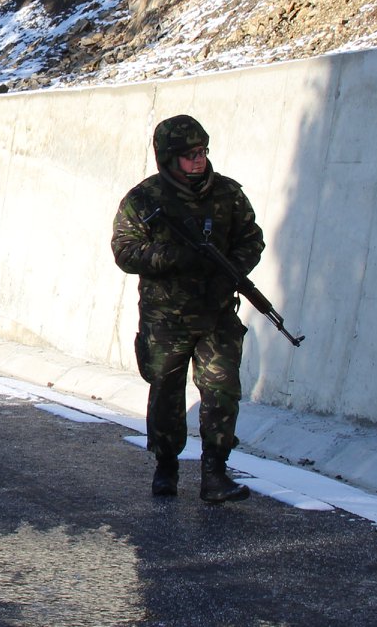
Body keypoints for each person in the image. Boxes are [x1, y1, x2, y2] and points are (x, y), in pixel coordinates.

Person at [110, 114, 266, 503]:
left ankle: (215, 471)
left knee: (221, 392)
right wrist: (173, 257)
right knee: (165, 391)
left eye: (202, 152)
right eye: (189, 155)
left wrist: (229, 273)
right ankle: (166, 466)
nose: (198, 160)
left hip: (215, 315)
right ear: (168, 157)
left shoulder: (227, 194)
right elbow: (125, 250)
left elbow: (251, 239)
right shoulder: (144, 199)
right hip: (166, 319)